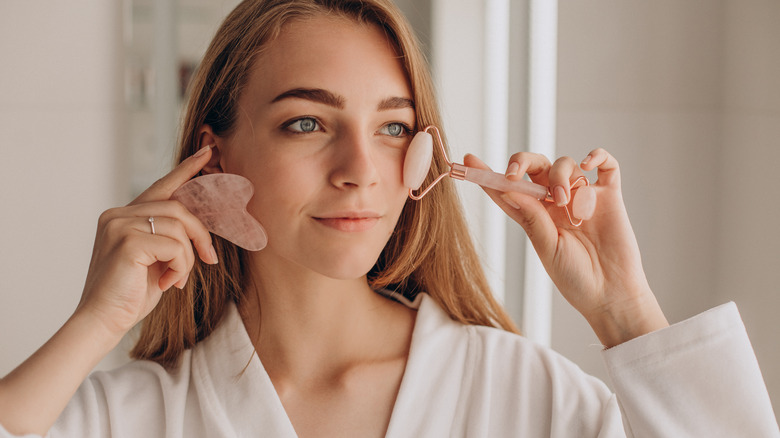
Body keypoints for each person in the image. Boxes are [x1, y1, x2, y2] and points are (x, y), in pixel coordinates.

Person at [0, 0, 777, 436]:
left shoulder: (522, 396)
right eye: (307, 122)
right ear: (218, 154)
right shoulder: (129, 417)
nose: (359, 169)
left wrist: (623, 310)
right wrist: (97, 322)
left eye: (394, 127)